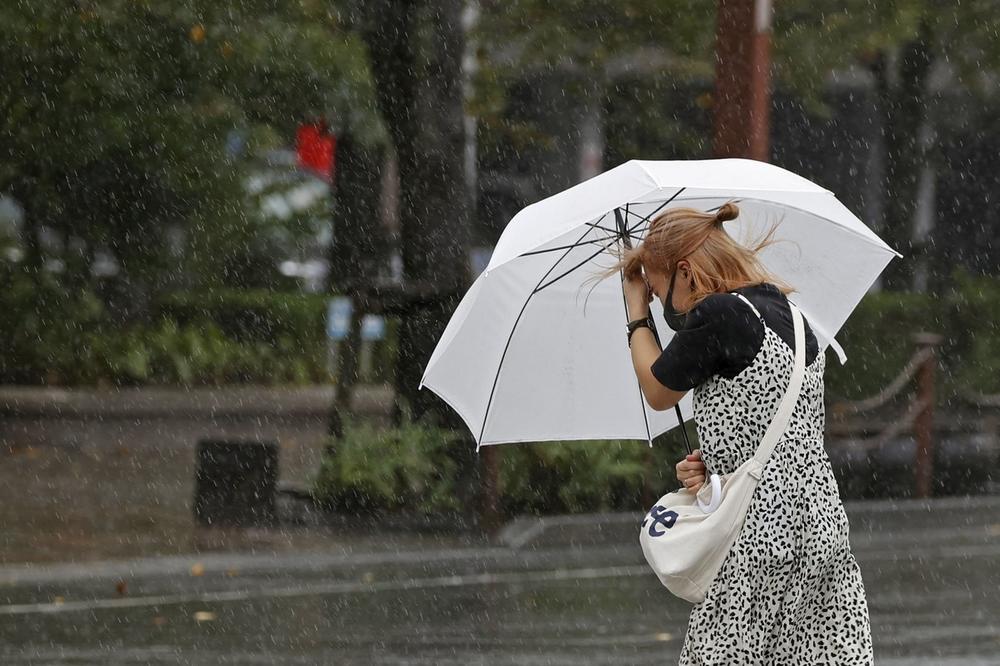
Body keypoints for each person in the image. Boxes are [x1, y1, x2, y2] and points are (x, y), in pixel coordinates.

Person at [609, 202, 873, 664]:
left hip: (759, 534)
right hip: (821, 521)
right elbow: (772, 424)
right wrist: (715, 472)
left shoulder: (720, 314)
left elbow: (656, 387)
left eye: (656, 285)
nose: (655, 297)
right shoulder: (791, 313)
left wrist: (635, 312)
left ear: (686, 272)